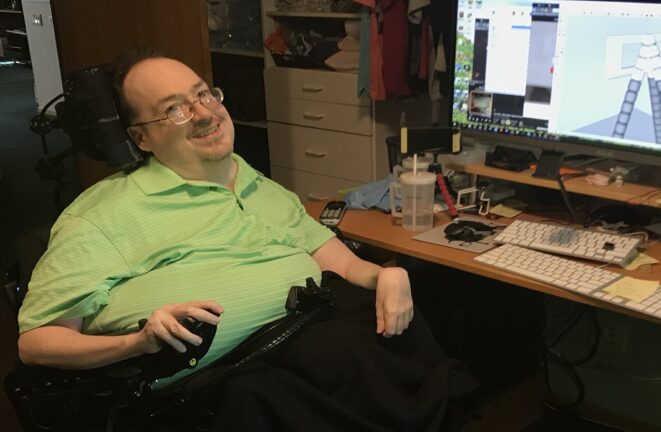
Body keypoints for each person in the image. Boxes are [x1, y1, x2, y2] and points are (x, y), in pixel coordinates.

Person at [15, 52, 475, 431]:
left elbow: (341, 261)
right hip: (228, 383)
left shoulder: (260, 185)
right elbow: (37, 342)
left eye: (203, 94)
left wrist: (388, 273)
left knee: (409, 329)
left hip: (316, 337)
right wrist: (136, 342)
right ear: (142, 137)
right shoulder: (101, 215)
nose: (204, 113)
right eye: (175, 109)